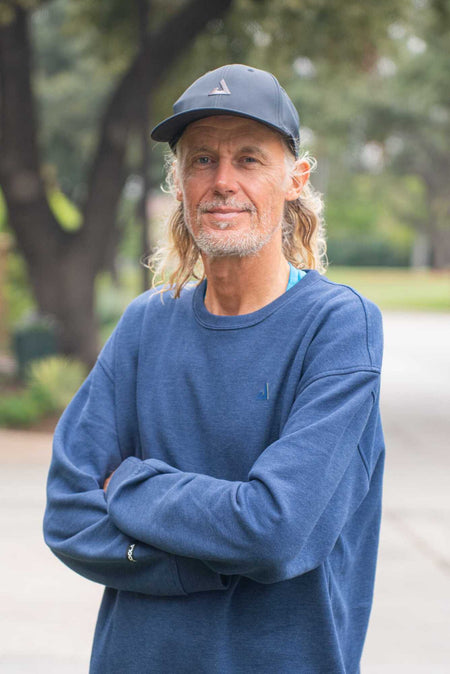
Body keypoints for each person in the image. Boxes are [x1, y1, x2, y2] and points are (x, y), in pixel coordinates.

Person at [43, 64, 384, 673]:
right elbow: (68, 513)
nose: (222, 181)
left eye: (249, 159)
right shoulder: (145, 326)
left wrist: (129, 485)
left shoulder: (339, 328)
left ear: (295, 179)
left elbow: (273, 529)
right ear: (178, 182)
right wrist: (204, 557)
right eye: (202, 160)